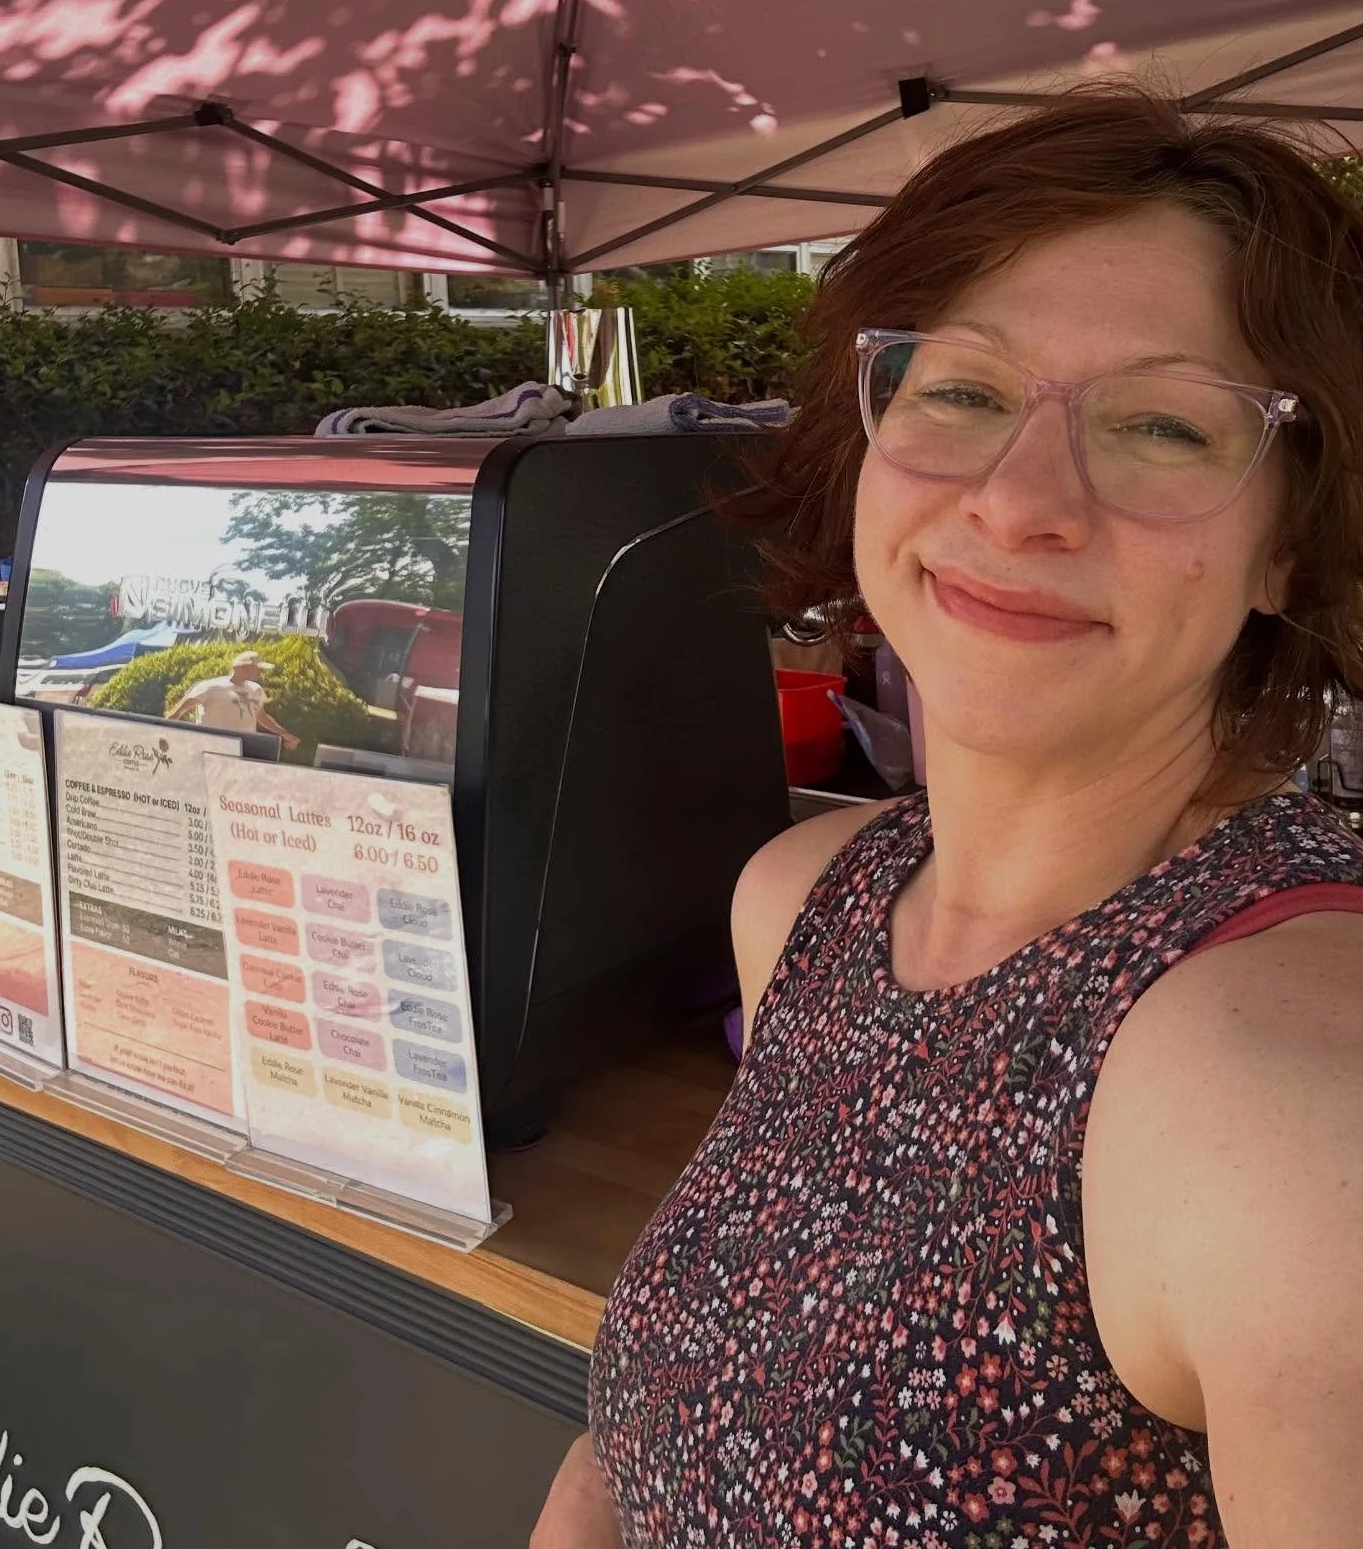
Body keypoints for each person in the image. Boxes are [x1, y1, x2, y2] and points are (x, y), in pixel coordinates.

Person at [533, 90, 1363, 1548]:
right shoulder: (809, 895)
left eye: (1164, 424)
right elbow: (652, 1424)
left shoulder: (1278, 1095)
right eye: (964, 391)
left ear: (1291, 546)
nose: (1019, 498)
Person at [165, 649, 300, 750]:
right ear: (244, 667)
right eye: (257, 668)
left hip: (244, 748)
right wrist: (161, 734)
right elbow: (179, 711)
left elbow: (260, 715)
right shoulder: (210, 687)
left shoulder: (256, 689)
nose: (260, 672)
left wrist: (285, 734)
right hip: (211, 748)